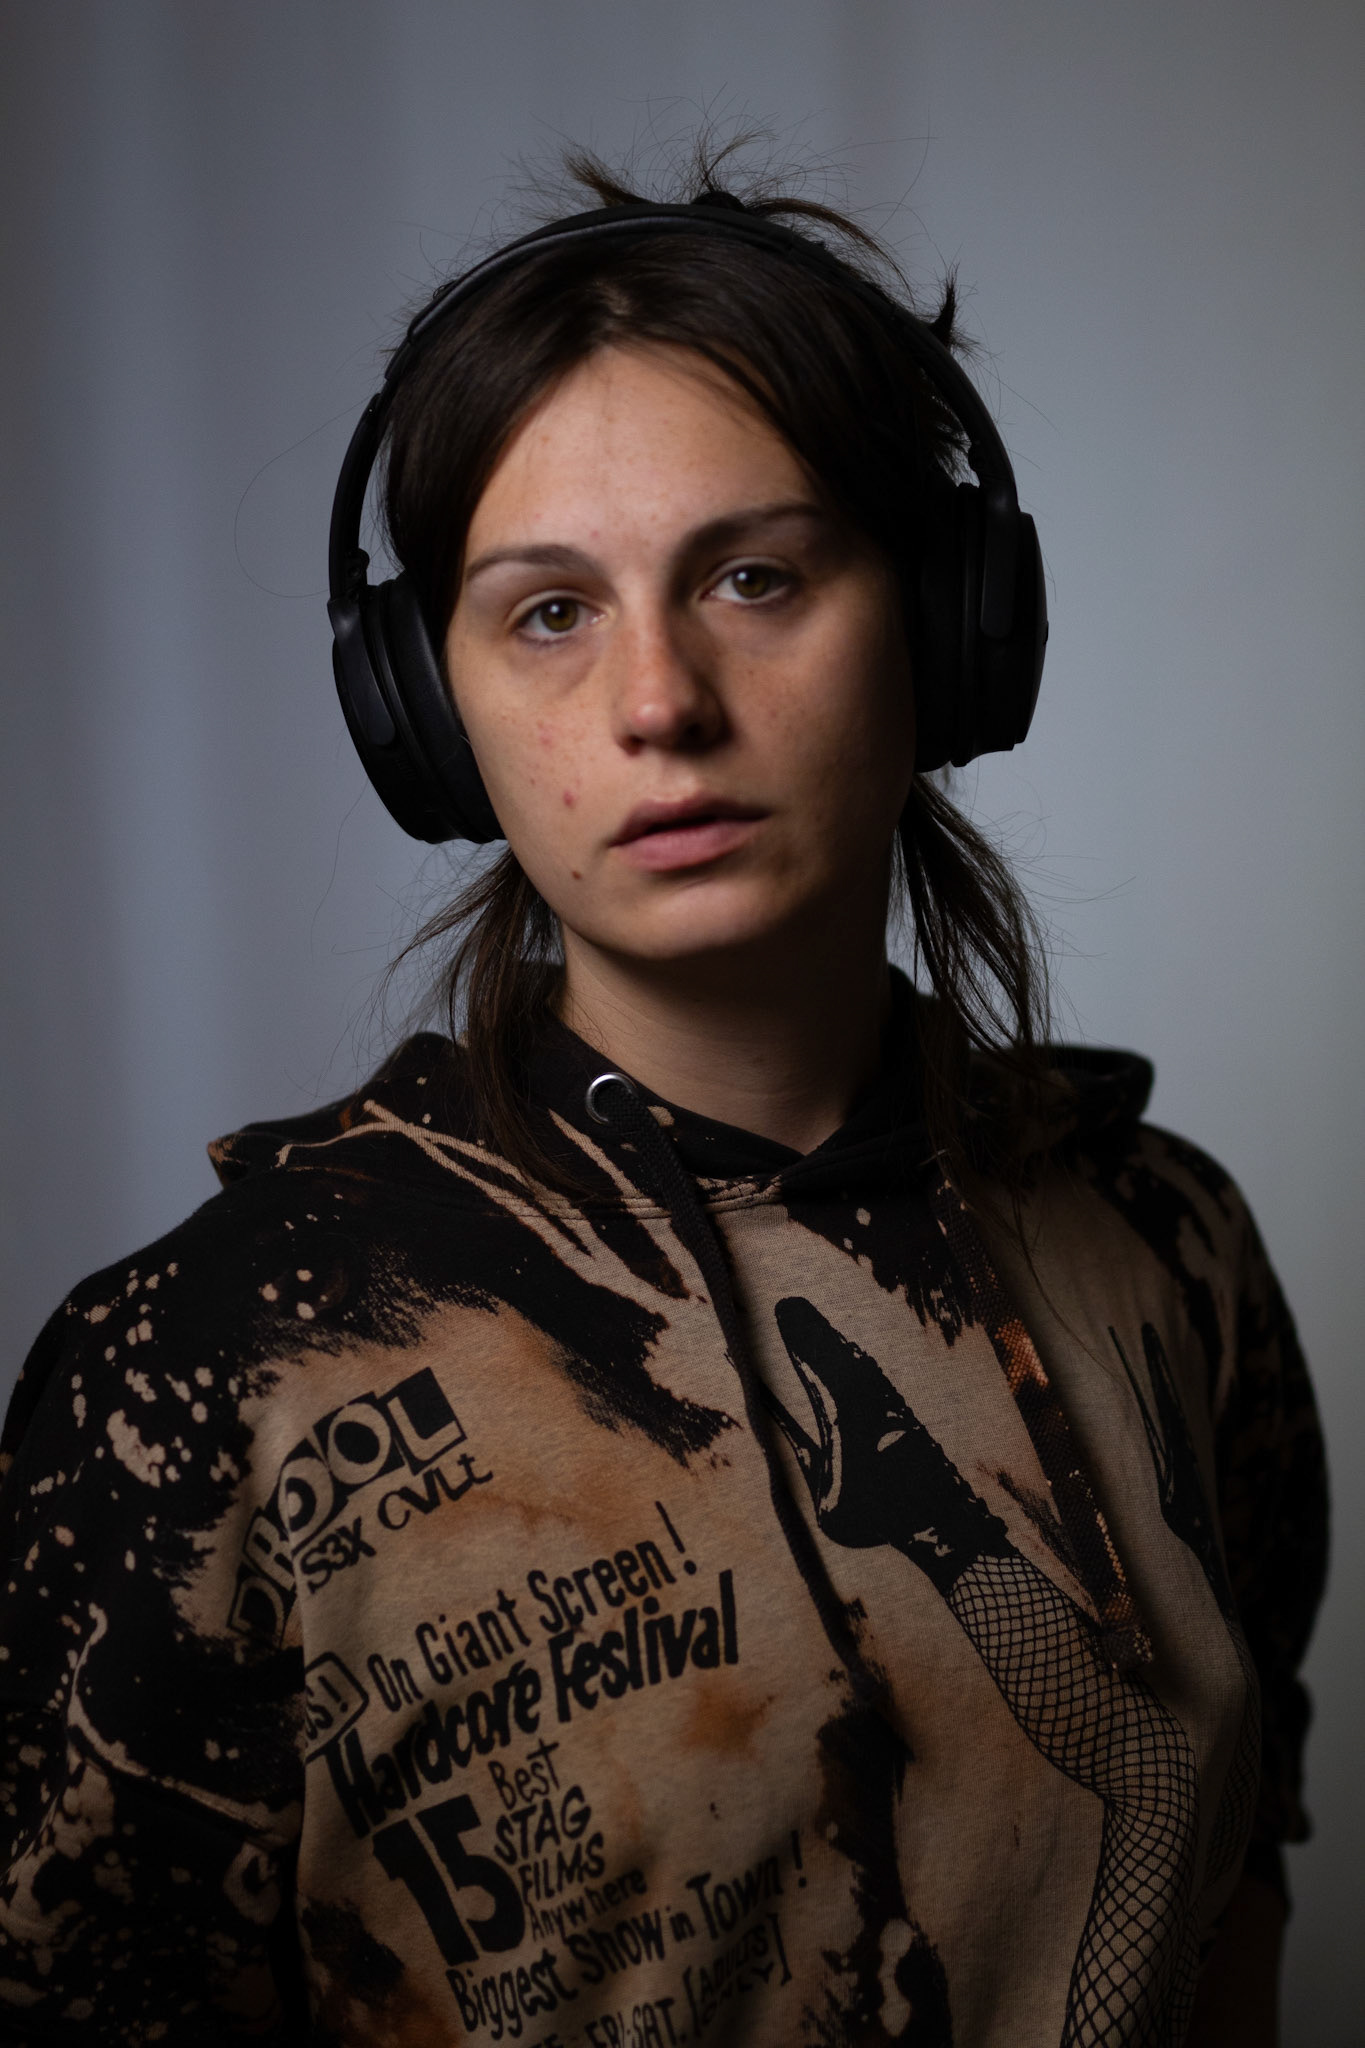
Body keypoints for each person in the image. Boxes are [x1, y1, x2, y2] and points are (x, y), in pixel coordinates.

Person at [0, 151, 1327, 2047]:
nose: (658, 701)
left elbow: (1228, 1884)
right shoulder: (209, 1366)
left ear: (948, 622)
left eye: (754, 577)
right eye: (548, 613)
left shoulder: (1162, 1240)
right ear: (426, 711)